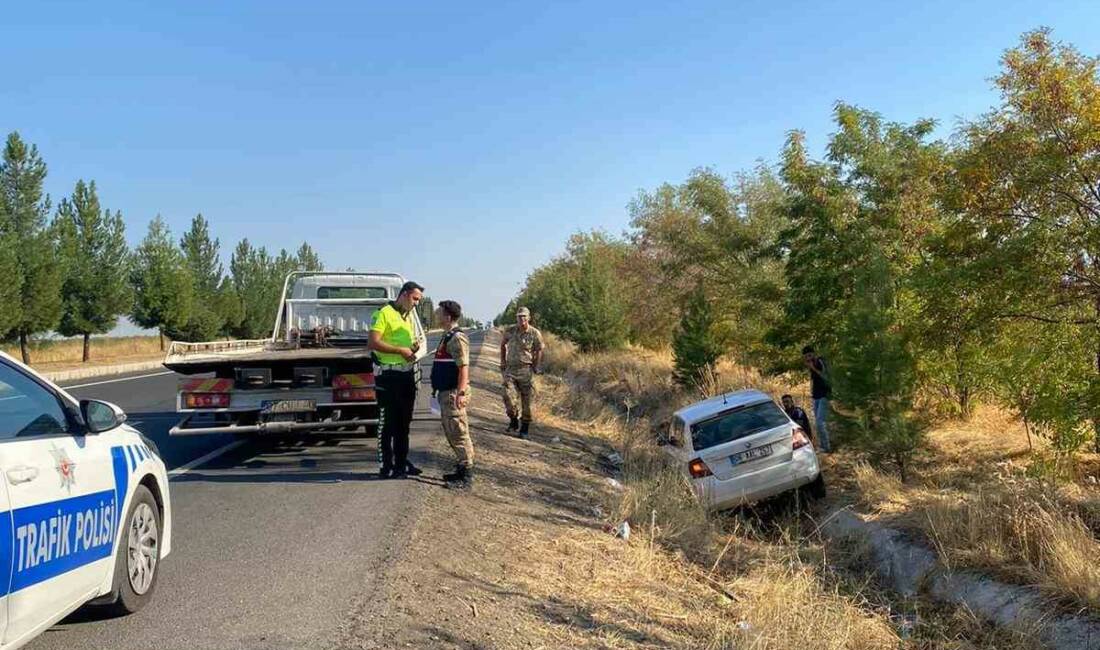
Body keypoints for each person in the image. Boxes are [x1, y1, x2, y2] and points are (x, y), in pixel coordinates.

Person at [369, 281, 426, 479]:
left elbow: (405, 343)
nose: (416, 304)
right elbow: (373, 342)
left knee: (404, 424)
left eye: (419, 300)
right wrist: (399, 351)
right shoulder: (383, 313)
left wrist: (413, 348)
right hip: (388, 376)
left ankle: (401, 465)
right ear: (403, 294)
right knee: (387, 424)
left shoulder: (408, 316)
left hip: (407, 374)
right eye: (414, 299)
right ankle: (386, 466)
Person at [430, 300, 474, 489]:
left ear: (448, 316)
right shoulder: (447, 336)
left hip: (453, 392)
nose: (437, 315)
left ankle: (467, 475)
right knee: (451, 431)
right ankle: (461, 468)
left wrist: (461, 393)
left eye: (439, 312)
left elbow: (463, 367)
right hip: (445, 392)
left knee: (458, 432)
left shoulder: (457, 338)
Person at [500, 307, 543, 438]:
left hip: (525, 370)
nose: (521, 319)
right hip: (511, 370)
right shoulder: (510, 330)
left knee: (526, 402)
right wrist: (502, 361)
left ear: (529, 318)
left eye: (524, 316)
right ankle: (513, 420)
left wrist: (535, 365)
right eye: (519, 316)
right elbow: (503, 344)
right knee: (507, 396)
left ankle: (524, 428)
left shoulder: (534, 333)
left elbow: (539, 349)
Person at [802, 345, 832, 452]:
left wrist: (813, 367)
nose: (808, 358)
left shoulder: (819, 362)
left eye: (810, 355)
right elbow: (814, 380)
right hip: (816, 396)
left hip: (824, 395)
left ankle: (826, 447)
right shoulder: (812, 365)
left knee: (820, 422)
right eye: (806, 357)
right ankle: (824, 444)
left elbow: (825, 376)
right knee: (818, 422)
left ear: (814, 354)